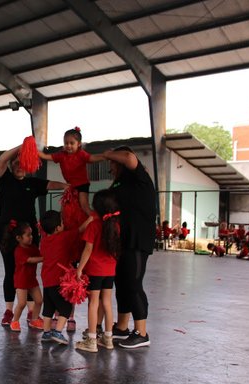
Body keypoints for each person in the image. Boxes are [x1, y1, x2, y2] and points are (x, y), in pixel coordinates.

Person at [0, 144, 68, 326]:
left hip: (29, 234)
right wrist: (23, 147)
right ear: (12, 166)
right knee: (11, 270)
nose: (19, 166)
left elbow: (51, 184)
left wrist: (69, 187)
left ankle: (30, 311)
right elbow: (2, 159)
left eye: (23, 163)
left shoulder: (33, 183)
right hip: (8, 233)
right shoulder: (5, 179)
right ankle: (9, 310)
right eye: (17, 163)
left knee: (29, 272)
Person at [103, 146, 156, 349]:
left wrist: (106, 153)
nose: (111, 168)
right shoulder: (119, 182)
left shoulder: (138, 177)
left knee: (133, 284)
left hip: (138, 240)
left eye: (113, 164)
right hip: (122, 240)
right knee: (122, 284)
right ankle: (123, 327)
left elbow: (129, 157)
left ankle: (141, 332)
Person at [75, 189, 121, 352]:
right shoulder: (116, 225)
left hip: (95, 270)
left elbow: (87, 250)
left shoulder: (94, 226)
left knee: (93, 303)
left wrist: (79, 269)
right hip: (110, 270)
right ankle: (108, 339)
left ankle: (92, 340)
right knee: (107, 302)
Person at [37, 127, 103, 220]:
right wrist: (32, 149)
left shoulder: (81, 154)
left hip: (82, 184)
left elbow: (92, 158)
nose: (68, 146)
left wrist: (105, 156)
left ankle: (97, 220)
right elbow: (44, 156)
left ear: (79, 144)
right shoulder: (61, 155)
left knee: (84, 206)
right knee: (65, 208)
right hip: (70, 186)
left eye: (72, 143)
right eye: (66, 143)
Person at [38, 210, 78, 345]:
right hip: (58, 281)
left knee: (48, 308)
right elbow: (80, 230)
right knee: (66, 307)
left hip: (47, 280)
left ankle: (46, 332)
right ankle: (58, 332)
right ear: (57, 228)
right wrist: (91, 219)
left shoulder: (44, 241)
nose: (63, 224)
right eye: (62, 222)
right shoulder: (63, 237)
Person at [6, 221, 43, 332]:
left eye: (31, 234)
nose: (31, 237)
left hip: (31, 280)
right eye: (28, 235)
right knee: (21, 303)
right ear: (19, 238)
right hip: (21, 281)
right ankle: (15, 321)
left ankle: (34, 320)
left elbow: (40, 254)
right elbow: (30, 260)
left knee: (39, 300)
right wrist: (44, 258)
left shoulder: (33, 247)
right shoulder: (19, 251)